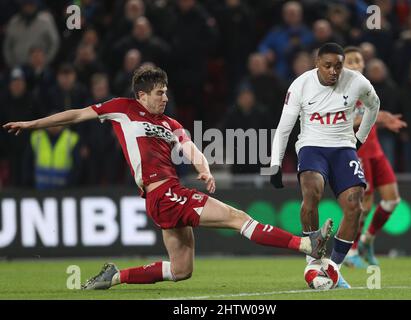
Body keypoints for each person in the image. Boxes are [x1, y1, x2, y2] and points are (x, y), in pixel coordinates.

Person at [3, 65, 332, 290]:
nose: (165, 97)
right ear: (142, 95)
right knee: (237, 217)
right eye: (160, 93)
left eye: (166, 92)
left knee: (181, 271)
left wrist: (203, 166)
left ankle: (115, 276)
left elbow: (189, 147)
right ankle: (307, 243)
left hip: (170, 194)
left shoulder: (170, 123)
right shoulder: (123, 108)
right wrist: (32, 124)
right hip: (162, 195)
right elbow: (76, 114)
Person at [269, 43, 381, 289]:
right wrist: (275, 163)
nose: (333, 71)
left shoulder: (357, 82)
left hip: (343, 147)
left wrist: (360, 138)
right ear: (317, 63)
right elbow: (285, 126)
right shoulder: (301, 85)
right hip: (312, 146)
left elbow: (374, 106)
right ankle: (313, 258)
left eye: (338, 66)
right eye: (327, 65)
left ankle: (333, 268)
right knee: (312, 192)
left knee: (355, 204)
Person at [342, 46, 407, 268]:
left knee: (392, 199)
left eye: (358, 60)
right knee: (364, 205)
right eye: (350, 61)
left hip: (376, 150)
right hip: (357, 151)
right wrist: (376, 117)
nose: (355, 63)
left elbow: (372, 112)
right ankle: (349, 252)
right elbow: (345, 122)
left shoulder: (366, 89)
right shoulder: (341, 91)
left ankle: (366, 240)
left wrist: (384, 117)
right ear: (342, 66)